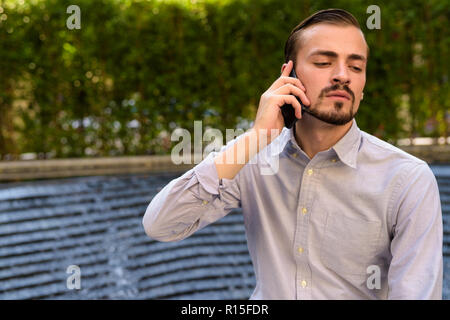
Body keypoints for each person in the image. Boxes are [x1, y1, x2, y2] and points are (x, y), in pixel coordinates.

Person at [142, 8, 443, 299]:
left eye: (355, 66)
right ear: (289, 75)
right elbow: (161, 224)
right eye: (324, 63)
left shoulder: (407, 179)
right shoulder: (253, 160)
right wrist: (256, 137)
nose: (342, 76)